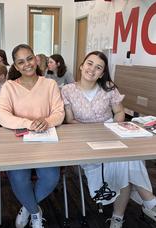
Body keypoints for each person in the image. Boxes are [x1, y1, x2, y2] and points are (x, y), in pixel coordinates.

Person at [61, 51, 156, 228]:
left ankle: (119, 216)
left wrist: (112, 128)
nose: (92, 70)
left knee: (125, 159)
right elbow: (70, 120)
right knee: (126, 160)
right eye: (89, 64)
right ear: (82, 66)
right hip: (84, 139)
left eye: (98, 67)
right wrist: (95, 132)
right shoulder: (68, 90)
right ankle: (147, 202)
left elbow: (120, 112)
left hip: (110, 134)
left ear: (102, 73)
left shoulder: (109, 88)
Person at [0, 44, 64, 228]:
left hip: (45, 140)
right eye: (21, 62)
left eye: (29, 58)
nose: (27, 64)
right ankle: (35, 212)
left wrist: (47, 121)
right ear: (16, 67)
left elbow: (59, 113)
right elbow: (2, 116)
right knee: (19, 178)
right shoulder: (9, 87)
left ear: (36, 59)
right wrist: (29, 123)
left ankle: (27, 207)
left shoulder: (50, 84)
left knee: (51, 177)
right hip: (19, 143)